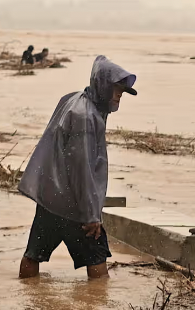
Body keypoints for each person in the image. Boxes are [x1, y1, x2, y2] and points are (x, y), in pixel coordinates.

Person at [16, 54, 137, 281]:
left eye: (122, 90)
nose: (120, 95)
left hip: (51, 197)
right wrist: (91, 215)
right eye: (117, 89)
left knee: (34, 254)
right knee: (97, 261)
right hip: (74, 203)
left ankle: (28, 300)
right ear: (103, 86)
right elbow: (82, 169)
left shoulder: (73, 100)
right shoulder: (86, 117)